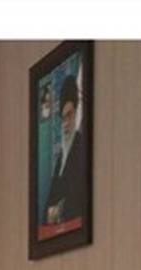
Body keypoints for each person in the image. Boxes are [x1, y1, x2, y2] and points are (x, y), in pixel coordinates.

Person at [44, 75, 87, 225]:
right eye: (63, 118)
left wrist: (56, 211)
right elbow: (47, 211)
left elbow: (76, 201)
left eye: (69, 115)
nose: (66, 124)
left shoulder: (82, 148)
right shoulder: (61, 158)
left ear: (76, 112)